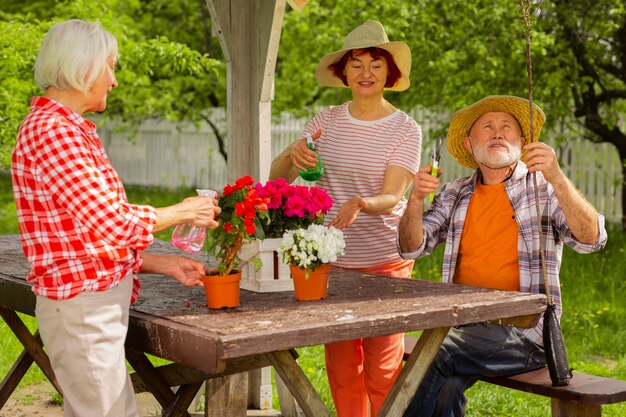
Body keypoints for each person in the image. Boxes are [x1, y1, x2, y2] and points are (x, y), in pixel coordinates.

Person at [11, 19, 221, 417]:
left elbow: (85, 236)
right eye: (110, 67)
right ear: (83, 67)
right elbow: (110, 221)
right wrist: (183, 210)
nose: (114, 81)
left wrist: (161, 263)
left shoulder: (65, 128)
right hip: (83, 311)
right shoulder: (55, 131)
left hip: (86, 308)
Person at [397, 95, 608, 417]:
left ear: (523, 142)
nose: (498, 133)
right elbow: (412, 247)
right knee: (446, 384)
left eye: (507, 127)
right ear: (469, 144)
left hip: (525, 333)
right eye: (488, 127)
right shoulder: (455, 193)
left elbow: (592, 240)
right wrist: (415, 199)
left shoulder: (544, 190)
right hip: (463, 326)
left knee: (432, 355)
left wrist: (557, 178)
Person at [270, 20, 422, 417]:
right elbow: (277, 180)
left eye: (375, 64)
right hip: (330, 263)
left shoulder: (405, 129)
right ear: (344, 73)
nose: (366, 73)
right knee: (342, 371)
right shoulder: (326, 122)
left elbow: (394, 196)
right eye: (357, 64)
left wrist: (361, 203)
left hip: (386, 263)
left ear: (390, 72)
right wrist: (293, 152)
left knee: (384, 368)